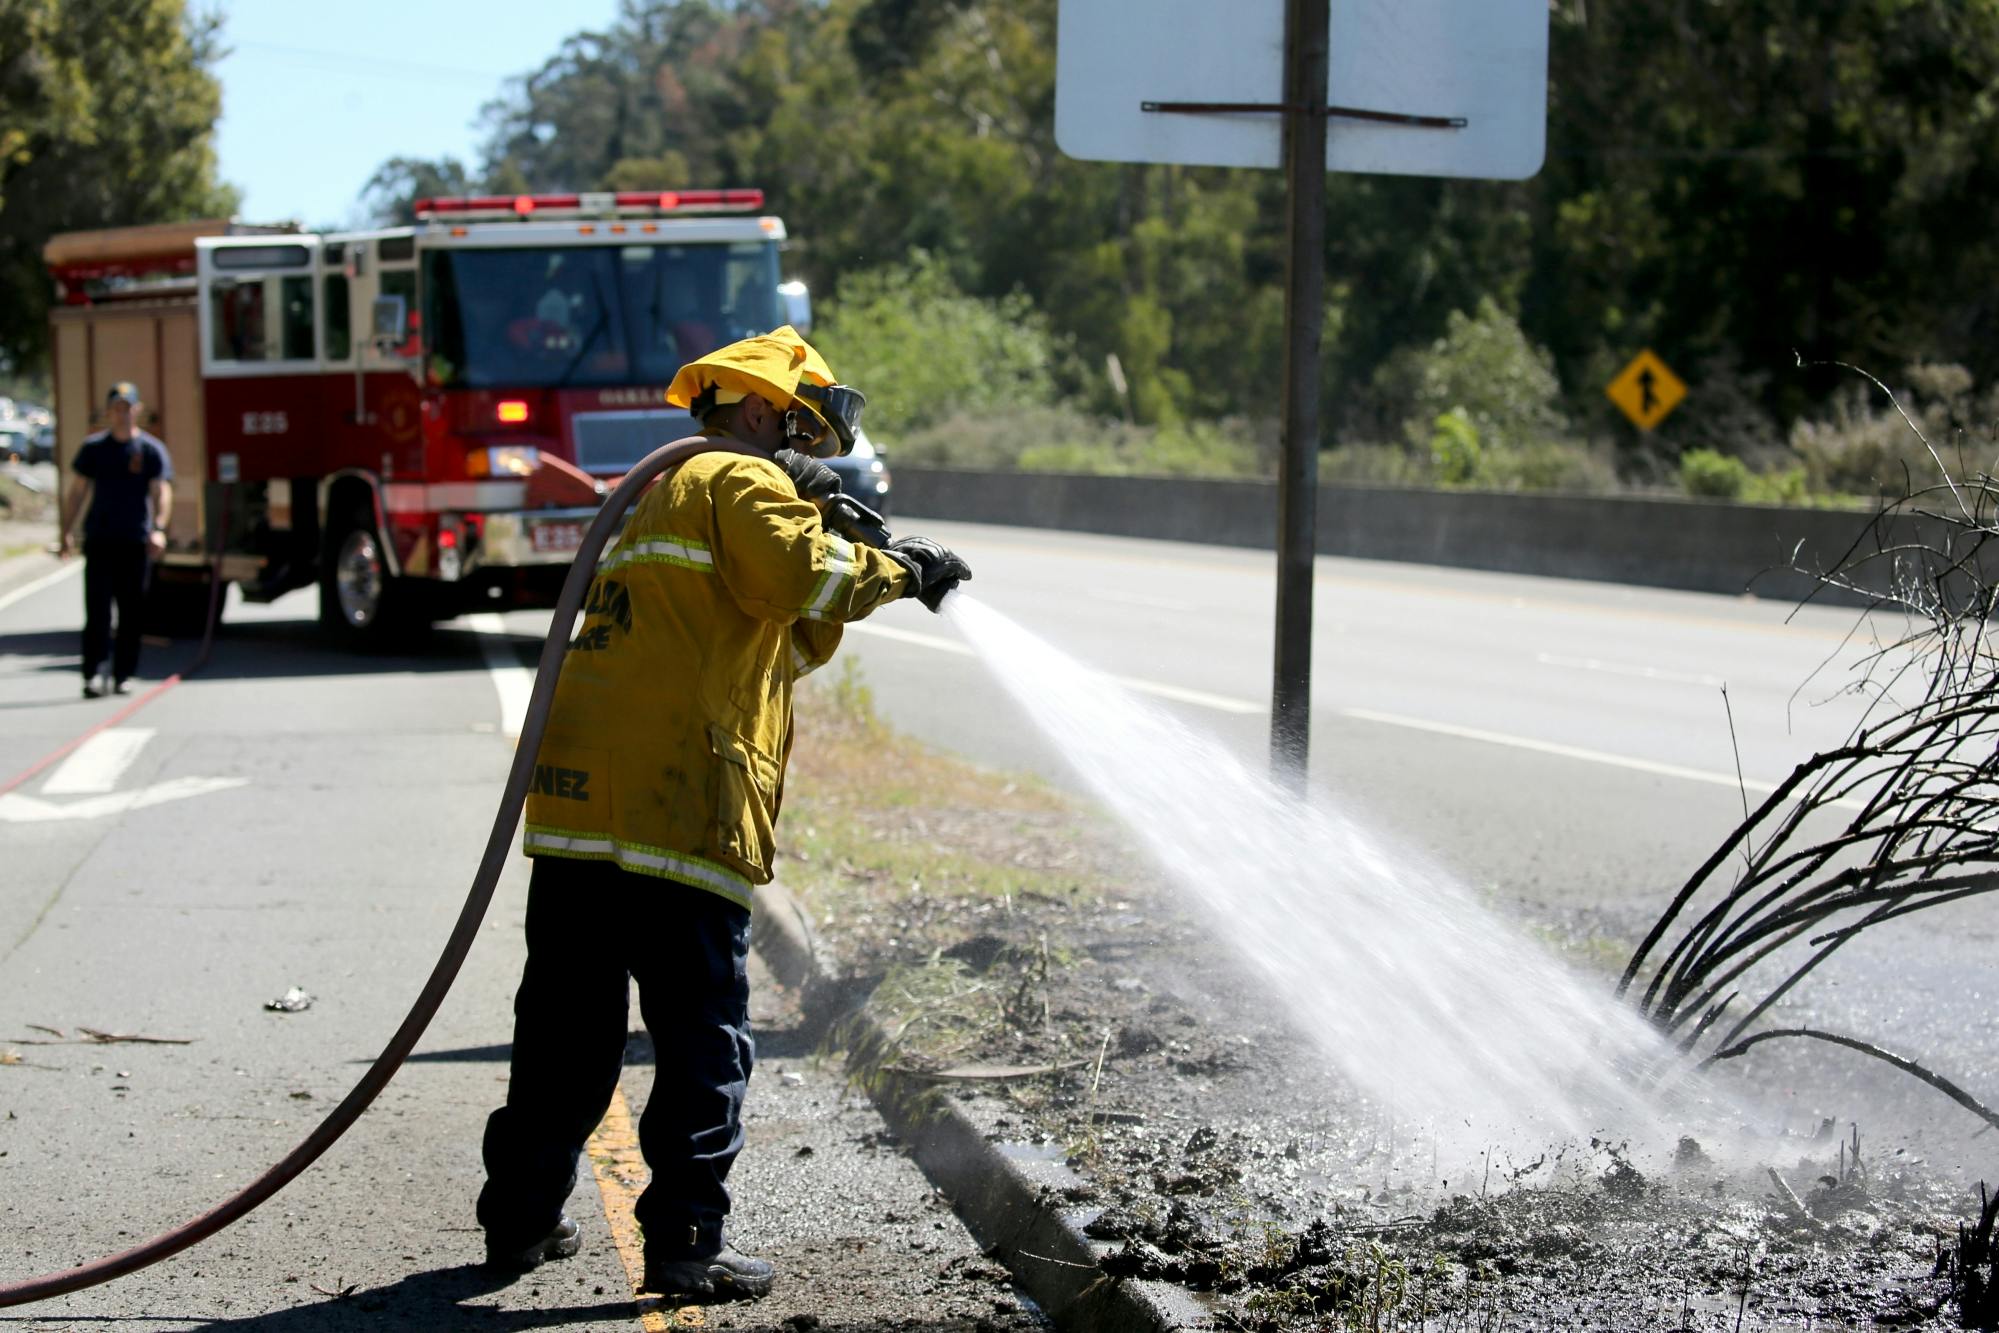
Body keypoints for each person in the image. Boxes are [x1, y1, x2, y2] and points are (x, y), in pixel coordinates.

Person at [476, 326, 971, 1303]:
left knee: (565, 1034)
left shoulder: (655, 495)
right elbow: (794, 582)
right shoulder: (744, 486)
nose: (807, 456)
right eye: (798, 430)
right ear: (759, 412)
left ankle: (521, 1219)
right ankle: (687, 1242)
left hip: (584, 811)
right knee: (704, 1040)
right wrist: (897, 569)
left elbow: (770, 642)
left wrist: (839, 546)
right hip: (681, 803)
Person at [57, 382, 173, 698]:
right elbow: (78, 491)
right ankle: (94, 673)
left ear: (137, 410)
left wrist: (159, 527)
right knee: (97, 612)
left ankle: (124, 674)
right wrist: (66, 530)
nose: (122, 414)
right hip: (100, 539)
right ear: (109, 412)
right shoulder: (94, 449)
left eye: (127, 407)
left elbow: (161, 490)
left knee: (131, 613)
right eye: (116, 408)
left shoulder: (150, 450)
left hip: (135, 541)